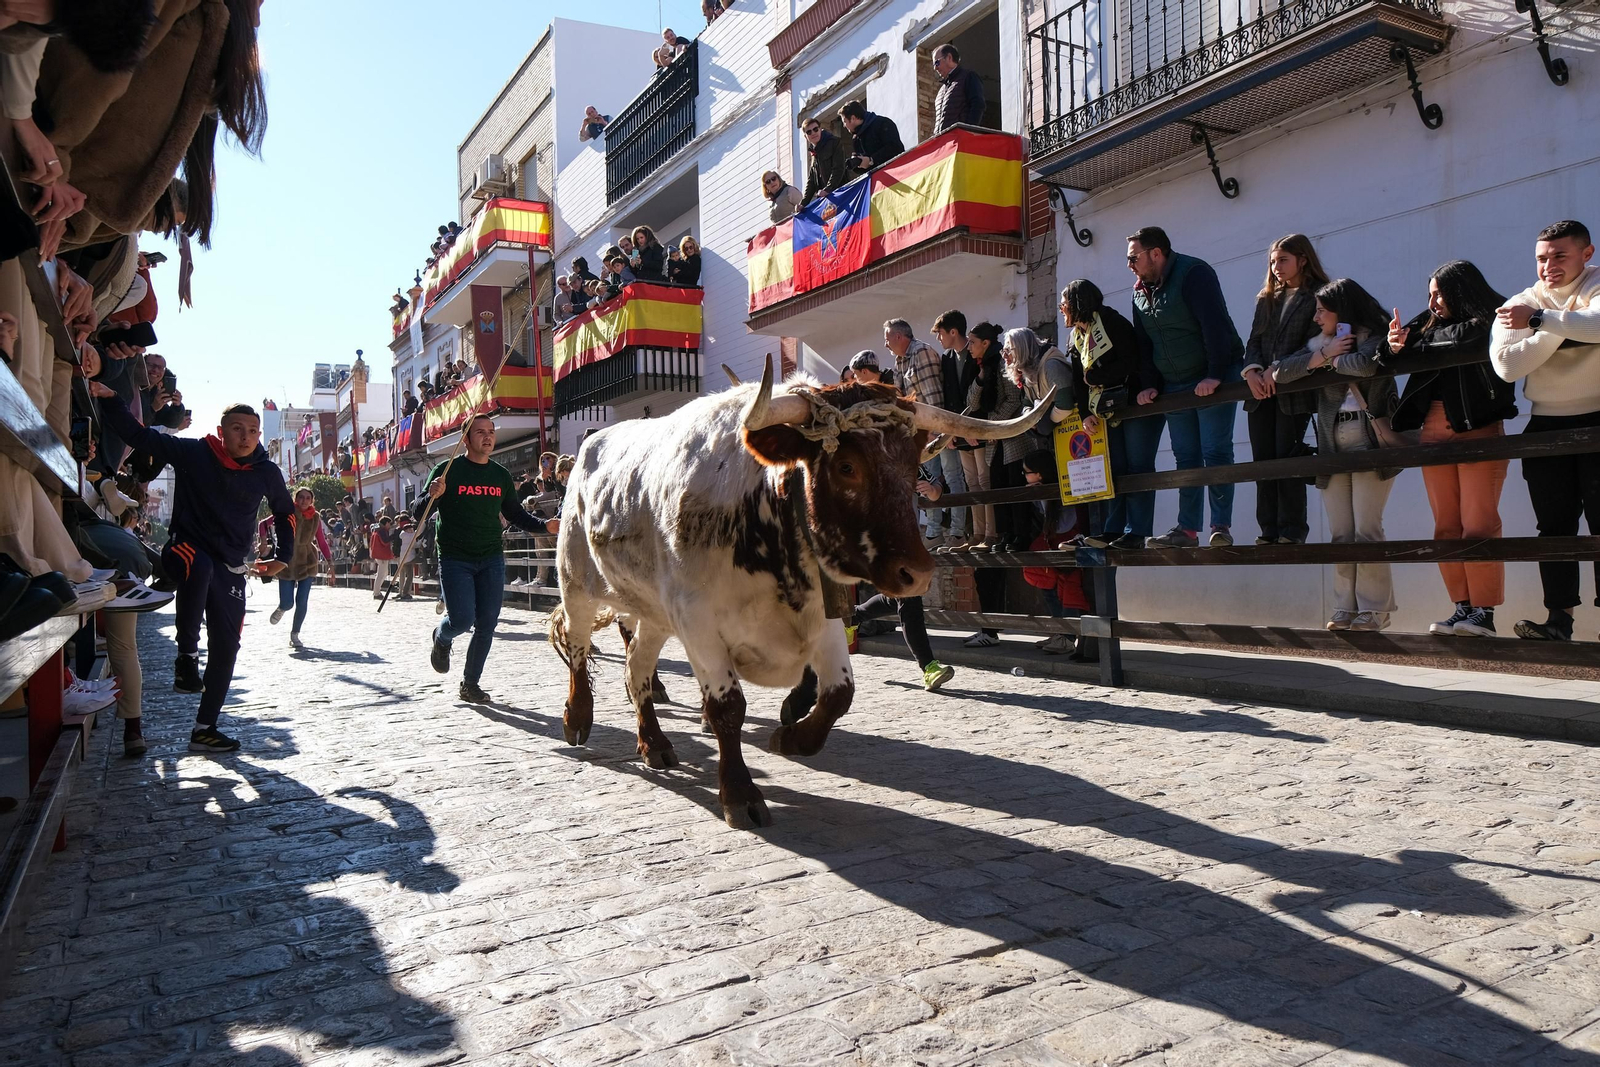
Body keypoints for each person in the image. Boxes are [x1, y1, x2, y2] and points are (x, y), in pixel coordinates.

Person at [90, 388, 293, 752]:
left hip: (231, 566)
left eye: (252, 430)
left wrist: (284, 555)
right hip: (183, 550)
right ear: (221, 429)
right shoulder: (195, 452)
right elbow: (138, 435)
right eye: (237, 429)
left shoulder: (265, 471)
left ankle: (204, 728)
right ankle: (186, 656)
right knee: (200, 566)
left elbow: (284, 511)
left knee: (228, 647)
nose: (245, 437)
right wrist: (109, 398)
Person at [1382, 261, 1518, 637]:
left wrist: (1414, 345)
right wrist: (1392, 345)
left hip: (1479, 427)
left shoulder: (1493, 314)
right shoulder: (1431, 320)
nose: (1432, 301)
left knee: (1479, 523)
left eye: (1438, 293)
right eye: (1429, 293)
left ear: (1460, 290)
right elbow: (1387, 345)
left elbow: (1468, 338)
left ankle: (1484, 612)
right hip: (1433, 429)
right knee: (1446, 525)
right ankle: (1462, 607)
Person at [1490, 219, 1600, 642]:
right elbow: (1507, 367)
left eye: (1560, 255)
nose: (1548, 265)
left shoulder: (1586, 287)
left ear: (1586, 254)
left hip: (1597, 419)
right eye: (1541, 257)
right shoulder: (1522, 299)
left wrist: (1537, 322)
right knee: (1553, 528)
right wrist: (1560, 322)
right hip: (1546, 424)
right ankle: (1559, 621)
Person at [1273, 279, 1400, 632]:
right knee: (1341, 532)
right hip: (1331, 440)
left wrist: (1331, 360)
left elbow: (1366, 366)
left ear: (1341, 312)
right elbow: (1280, 371)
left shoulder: (1376, 336)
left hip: (1368, 436)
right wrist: (1326, 355)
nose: (1316, 318)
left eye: (1322, 311)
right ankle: (1345, 606)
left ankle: (1375, 609)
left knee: (1367, 528)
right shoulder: (1319, 345)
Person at [1127, 226, 1246, 548]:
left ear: (1156, 253)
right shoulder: (1139, 290)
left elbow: (1215, 324)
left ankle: (1220, 527)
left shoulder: (1194, 272)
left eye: (1133, 257)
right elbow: (1144, 343)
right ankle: (1187, 530)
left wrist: (1216, 374)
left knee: (1215, 450)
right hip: (1174, 383)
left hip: (1212, 374)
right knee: (1186, 456)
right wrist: (1150, 384)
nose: (1130, 265)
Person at [421, 414, 553, 703]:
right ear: (466, 439)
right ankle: (442, 638)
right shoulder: (447, 470)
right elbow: (419, 511)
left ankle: (470, 683)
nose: (488, 437)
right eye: (480, 432)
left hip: (491, 557)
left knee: (487, 623)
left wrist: (544, 526)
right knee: (461, 619)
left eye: (491, 431)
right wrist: (431, 495)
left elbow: (516, 514)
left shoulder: (500, 475)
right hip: (455, 557)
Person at [1242, 234, 1328, 546]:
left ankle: (1292, 530)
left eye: (1283, 260)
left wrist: (1275, 368)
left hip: (1294, 389)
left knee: (1287, 455)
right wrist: (1251, 371)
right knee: (1262, 461)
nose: (1276, 267)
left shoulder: (1319, 294)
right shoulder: (1266, 298)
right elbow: (1254, 340)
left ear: (1302, 259)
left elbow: (1313, 342)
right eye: (1273, 261)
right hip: (1260, 393)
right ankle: (1268, 530)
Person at [1058, 280, 1147, 550]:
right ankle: (1112, 529)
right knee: (1115, 469)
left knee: (1137, 469)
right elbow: (1077, 380)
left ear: (1078, 303)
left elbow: (1132, 360)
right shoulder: (1075, 336)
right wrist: (1085, 414)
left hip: (1129, 403)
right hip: (1101, 409)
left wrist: (1097, 376)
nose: (1062, 309)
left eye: (1065, 303)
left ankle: (1137, 531)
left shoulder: (1112, 322)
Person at [855, 474, 957, 691]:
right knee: (909, 600)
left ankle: (854, 616)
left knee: (900, 597)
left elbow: (936, 493)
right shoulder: (875, 458)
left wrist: (929, 488)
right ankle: (929, 667)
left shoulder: (913, 459)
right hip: (884, 543)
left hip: (910, 543)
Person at [886, 317, 966, 545]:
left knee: (952, 475)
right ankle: (934, 531)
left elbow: (934, 397)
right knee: (927, 480)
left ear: (899, 337)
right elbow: (901, 399)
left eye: (888, 338)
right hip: (921, 432)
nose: (886, 344)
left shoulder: (921, 352)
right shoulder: (900, 360)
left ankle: (958, 532)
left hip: (937, 429)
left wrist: (939, 432)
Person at [268, 486, 332, 649]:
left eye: (307, 498)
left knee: (302, 601)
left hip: (307, 560)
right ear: (295, 499)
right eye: (301, 497)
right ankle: (282, 608)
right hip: (287, 560)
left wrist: (330, 563)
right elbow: (264, 524)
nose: (304, 500)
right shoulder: (287, 512)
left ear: (312, 501)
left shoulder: (316, 517)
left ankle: (295, 634)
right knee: (288, 602)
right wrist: (263, 541)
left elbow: (321, 541)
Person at [838, 100, 903, 176]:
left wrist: (871, 160)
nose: (844, 126)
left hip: (898, 175)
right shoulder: (856, 139)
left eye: (845, 121)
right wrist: (858, 164)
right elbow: (865, 170)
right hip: (879, 182)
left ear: (853, 118)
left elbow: (896, 148)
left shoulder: (883, 123)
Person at [932, 43, 986, 133]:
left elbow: (978, 105)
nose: (935, 68)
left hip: (959, 140)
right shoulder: (942, 89)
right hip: (944, 143)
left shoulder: (968, 76)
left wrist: (967, 133)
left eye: (937, 62)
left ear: (949, 58)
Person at [801, 116, 849, 204]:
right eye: (809, 132)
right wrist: (803, 203)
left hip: (841, 194)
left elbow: (838, 168)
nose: (813, 133)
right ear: (805, 136)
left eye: (815, 129)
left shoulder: (834, 142)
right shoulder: (814, 152)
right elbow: (811, 180)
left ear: (820, 129)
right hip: (827, 200)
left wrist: (828, 189)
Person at [369, 516, 398, 600]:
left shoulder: (377, 530)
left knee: (383, 573)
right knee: (381, 574)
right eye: (389, 523)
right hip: (381, 554)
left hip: (379, 554)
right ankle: (376, 593)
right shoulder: (381, 531)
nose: (389, 525)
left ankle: (377, 591)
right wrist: (393, 536)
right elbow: (385, 541)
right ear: (386, 523)